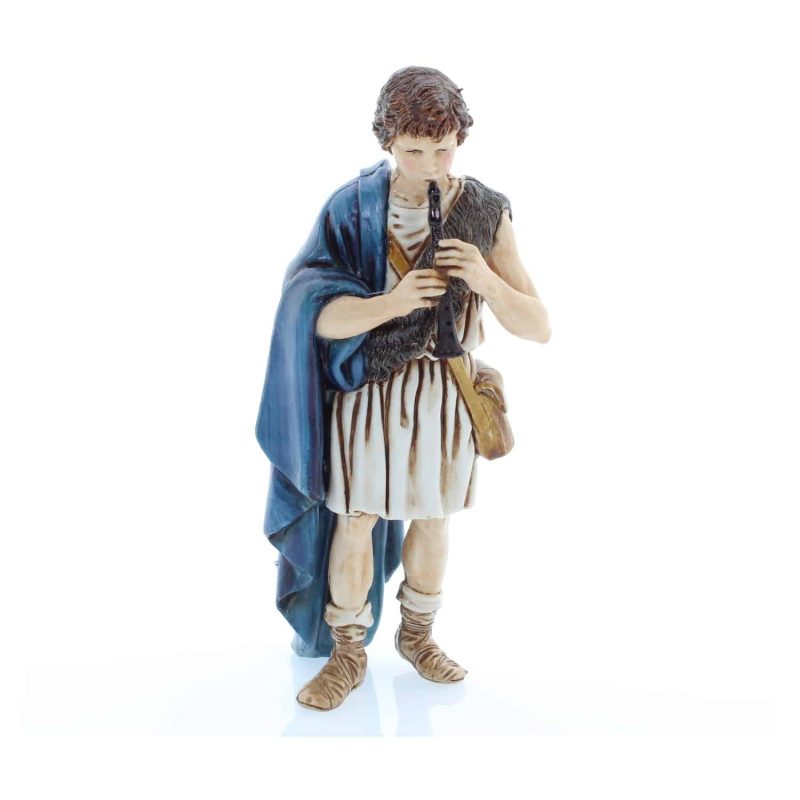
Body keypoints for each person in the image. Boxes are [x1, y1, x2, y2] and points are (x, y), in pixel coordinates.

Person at [255, 66, 551, 712]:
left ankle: (418, 634)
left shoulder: (485, 211)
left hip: (444, 390)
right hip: (370, 389)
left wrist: (485, 278)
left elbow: (538, 326)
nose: (430, 165)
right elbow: (310, 314)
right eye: (413, 151)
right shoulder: (355, 208)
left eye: (442, 149)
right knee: (356, 517)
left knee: (433, 517)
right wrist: (391, 304)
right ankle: (347, 650)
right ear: (388, 141)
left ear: (459, 139)